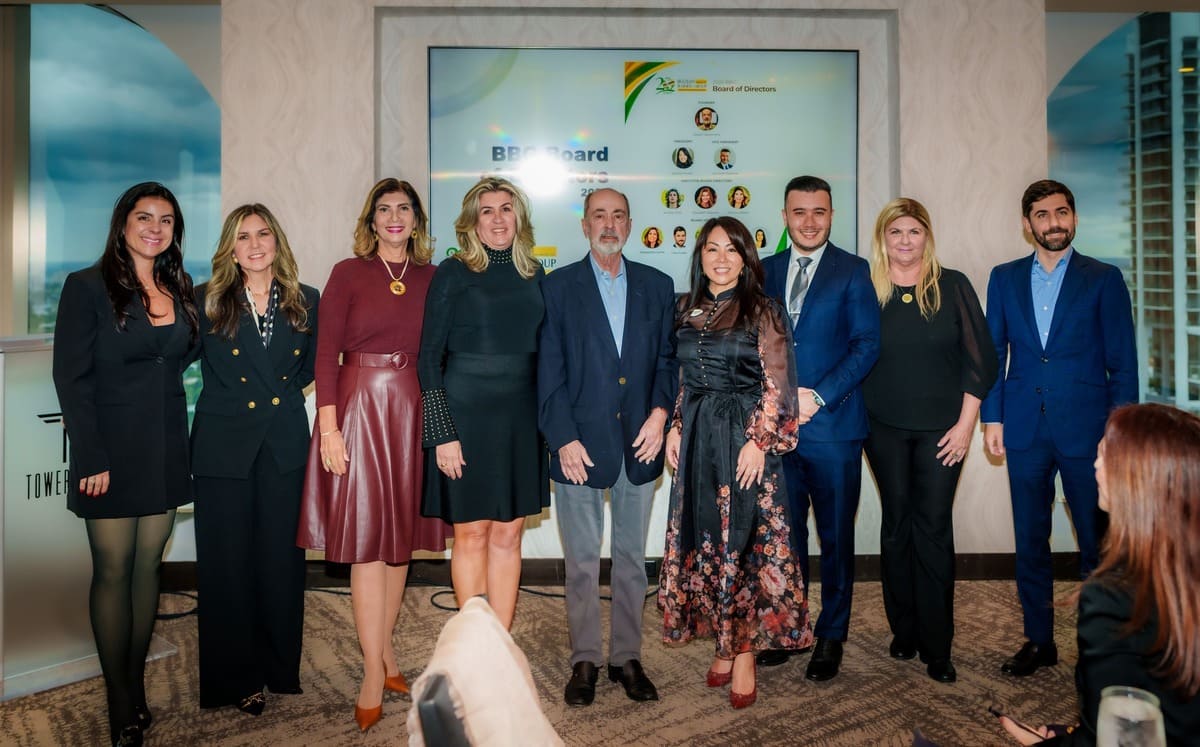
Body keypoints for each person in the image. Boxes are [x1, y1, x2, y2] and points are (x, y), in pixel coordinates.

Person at [296, 178, 449, 733]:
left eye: (403, 208)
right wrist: (329, 428)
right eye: (384, 209)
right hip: (358, 408)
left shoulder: (434, 276)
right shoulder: (347, 272)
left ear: (416, 220)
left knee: (399, 542)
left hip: (413, 409)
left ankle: (385, 656)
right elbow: (325, 355)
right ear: (371, 219)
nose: (394, 217)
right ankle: (369, 673)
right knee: (366, 544)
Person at [52, 181, 199, 747]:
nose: (154, 228)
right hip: (108, 451)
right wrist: (91, 454)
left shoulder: (179, 287)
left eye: (166, 220)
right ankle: (118, 700)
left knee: (148, 570)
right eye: (144, 217)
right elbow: (71, 377)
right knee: (113, 571)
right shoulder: (86, 286)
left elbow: (180, 355)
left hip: (165, 446)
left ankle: (135, 686)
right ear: (123, 223)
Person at [981, 179, 1137, 677]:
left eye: (1062, 212)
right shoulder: (1004, 278)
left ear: (1074, 217)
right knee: (1031, 540)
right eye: (1043, 215)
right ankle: (1039, 640)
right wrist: (992, 417)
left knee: (1097, 543)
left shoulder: (1104, 278)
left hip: (1089, 432)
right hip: (1024, 428)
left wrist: (1118, 434)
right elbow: (993, 356)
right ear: (1027, 224)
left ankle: (1099, 645)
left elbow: (1123, 365)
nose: (1055, 223)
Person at [660, 216, 812, 710]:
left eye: (731, 250)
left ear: (746, 259)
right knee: (708, 540)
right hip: (700, 438)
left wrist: (759, 441)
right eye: (711, 249)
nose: (721, 258)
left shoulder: (763, 310)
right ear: (700, 256)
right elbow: (683, 377)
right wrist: (677, 425)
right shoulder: (685, 308)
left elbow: (779, 382)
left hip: (745, 439)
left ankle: (743, 651)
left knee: (745, 542)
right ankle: (724, 643)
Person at [538, 188, 676, 707]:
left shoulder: (658, 286)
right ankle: (585, 660)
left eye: (619, 215)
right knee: (580, 562)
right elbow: (547, 369)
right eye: (600, 215)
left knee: (631, 560)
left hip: (641, 442)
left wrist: (661, 414)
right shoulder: (556, 287)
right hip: (578, 445)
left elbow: (668, 361)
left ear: (630, 224)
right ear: (585, 225)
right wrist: (562, 437)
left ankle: (625, 658)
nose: (609, 224)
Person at [1001, 404, 1200, 745]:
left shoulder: (1112, 598)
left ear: (1138, 480)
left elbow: (1118, 737)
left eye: (1105, 456)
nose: (1095, 465)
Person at [861, 198, 997, 683]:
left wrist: (966, 426)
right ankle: (905, 630)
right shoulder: (867, 289)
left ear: (927, 237)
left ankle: (938, 645)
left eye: (914, 231)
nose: (905, 240)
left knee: (934, 527)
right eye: (895, 231)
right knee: (896, 524)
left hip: (944, 431)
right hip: (882, 428)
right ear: (883, 238)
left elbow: (981, 362)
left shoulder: (952, 285)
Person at [191, 204, 319, 715]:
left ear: (277, 241)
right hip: (223, 446)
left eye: (263, 234)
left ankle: (278, 668)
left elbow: (308, 370)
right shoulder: (205, 299)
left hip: (284, 445)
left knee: (281, 562)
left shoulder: (306, 300)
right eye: (242, 237)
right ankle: (235, 678)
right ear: (230, 249)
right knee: (226, 565)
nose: (255, 244)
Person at [759, 175, 880, 680]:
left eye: (819, 212)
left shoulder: (852, 270)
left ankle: (831, 635)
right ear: (784, 216)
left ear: (831, 215)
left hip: (833, 428)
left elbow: (867, 345)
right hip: (775, 434)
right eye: (799, 212)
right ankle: (789, 629)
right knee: (782, 539)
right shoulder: (764, 270)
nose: (809, 222)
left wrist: (819, 395)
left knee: (835, 538)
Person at [419, 177, 550, 630]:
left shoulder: (536, 274)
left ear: (519, 217)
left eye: (506, 209)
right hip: (465, 417)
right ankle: (475, 644)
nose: (497, 219)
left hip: (521, 420)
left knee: (509, 534)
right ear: (472, 222)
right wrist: (441, 433)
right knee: (471, 533)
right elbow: (428, 358)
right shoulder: (453, 272)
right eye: (487, 210)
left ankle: (501, 643)